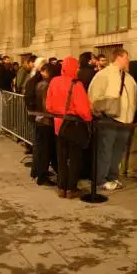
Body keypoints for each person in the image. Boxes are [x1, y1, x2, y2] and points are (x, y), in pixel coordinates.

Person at [88, 47, 137, 191]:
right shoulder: (104, 75)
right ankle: (100, 179)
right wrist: (98, 112)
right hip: (109, 119)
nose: (128, 60)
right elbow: (93, 96)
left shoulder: (128, 77)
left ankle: (112, 176)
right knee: (105, 150)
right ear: (119, 57)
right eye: (127, 57)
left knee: (117, 151)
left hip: (126, 120)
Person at [46, 57, 92, 199]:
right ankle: (71, 188)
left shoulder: (54, 81)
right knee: (75, 158)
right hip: (73, 126)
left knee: (61, 157)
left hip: (58, 125)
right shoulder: (76, 84)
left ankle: (61, 187)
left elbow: (49, 105)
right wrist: (89, 119)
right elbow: (83, 109)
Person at [32, 63, 58, 185]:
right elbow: (46, 105)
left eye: (44, 71)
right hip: (46, 120)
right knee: (45, 150)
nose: (42, 73)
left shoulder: (41, 84)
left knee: (41, 149)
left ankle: (37, 172)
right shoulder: (47, 85)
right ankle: (42, 176)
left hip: (40, 119)